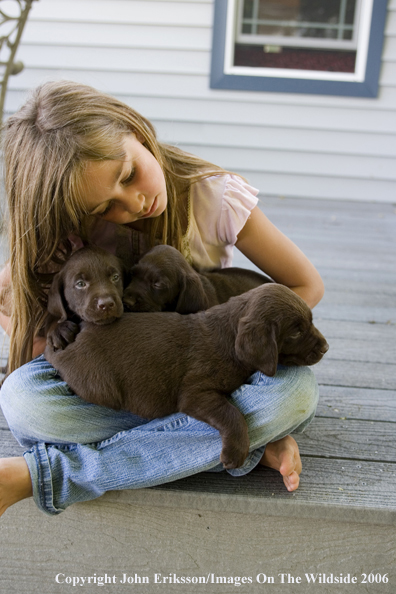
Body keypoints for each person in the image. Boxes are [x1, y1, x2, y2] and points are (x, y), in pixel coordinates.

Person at [0, 81, 324, 518]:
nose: (132, 203)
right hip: (135, 377)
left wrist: (246, 338)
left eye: (129, 174)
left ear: (134, 129)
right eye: (103, 209)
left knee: (295, 394)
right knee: (24, 400)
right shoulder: (74, 234)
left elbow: (307, 286)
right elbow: (37, 334)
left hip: (219, 375)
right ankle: (239, 437)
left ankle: (54, 474)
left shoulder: (215, 197)